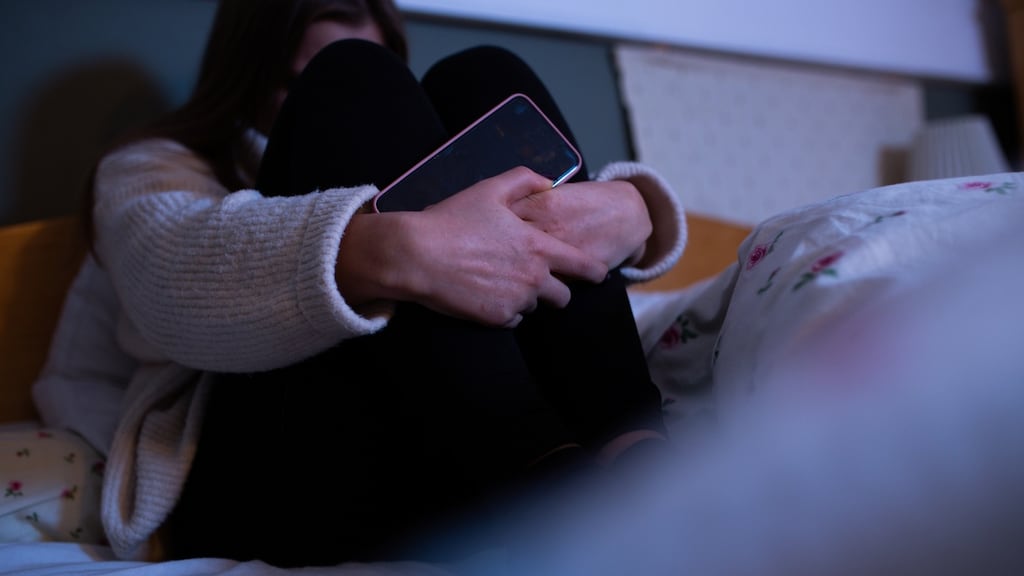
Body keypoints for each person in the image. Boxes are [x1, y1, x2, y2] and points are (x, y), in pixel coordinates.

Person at [31, 0, 686, 569]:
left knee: (483, 76)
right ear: (248, 70)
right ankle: (548, 486)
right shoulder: (156, 166)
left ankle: (636, 458)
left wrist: (634, 210)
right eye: (294, 85)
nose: (314, 109)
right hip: (272, 478)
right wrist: (400, 248)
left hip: (438, 453)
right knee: (351, 75)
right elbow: (172, 284)